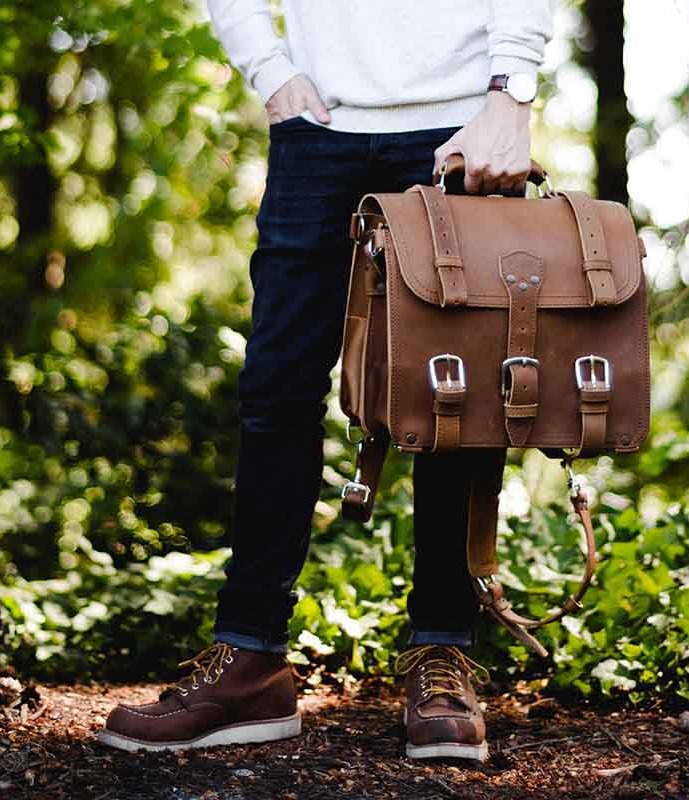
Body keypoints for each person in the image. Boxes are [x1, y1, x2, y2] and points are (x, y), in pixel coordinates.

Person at [99, 0, 553, 761]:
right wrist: (268, 69)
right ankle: (251, 663)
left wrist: (510, 91)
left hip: (463, 123)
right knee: (275, 390)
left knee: (455, 394)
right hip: (319, 126)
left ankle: (442, 654)